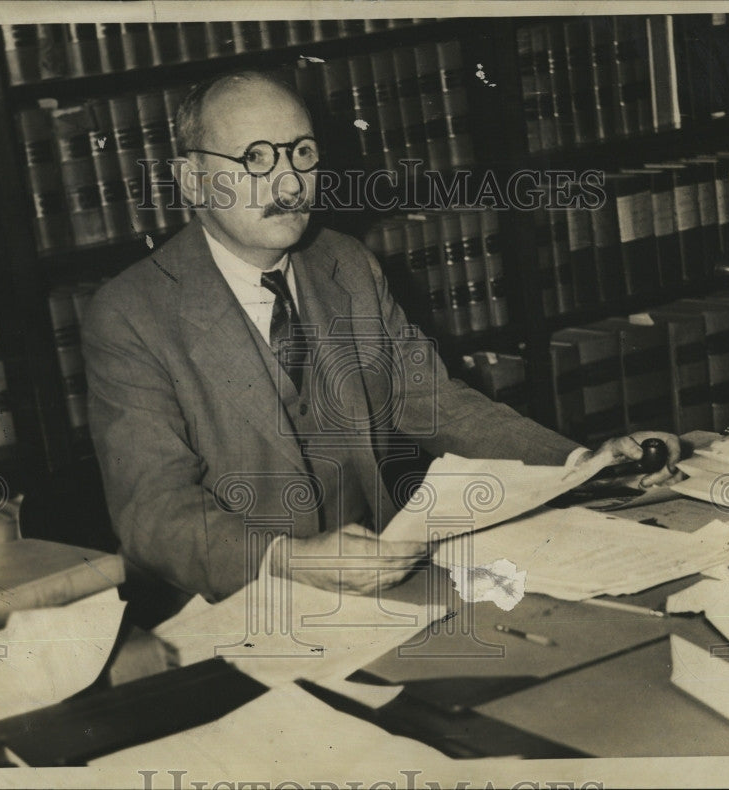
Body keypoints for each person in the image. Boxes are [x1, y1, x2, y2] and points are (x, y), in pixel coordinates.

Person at [81, 69, 681, 605]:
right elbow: (152, 512)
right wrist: (289, 562)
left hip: (381, 593)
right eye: (257, 159)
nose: (289, 184)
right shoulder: (132, 313)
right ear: (191, 179)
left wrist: (581, 464)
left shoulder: (345, 265)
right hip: (237, 610)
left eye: (302, 153)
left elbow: (437, 402)